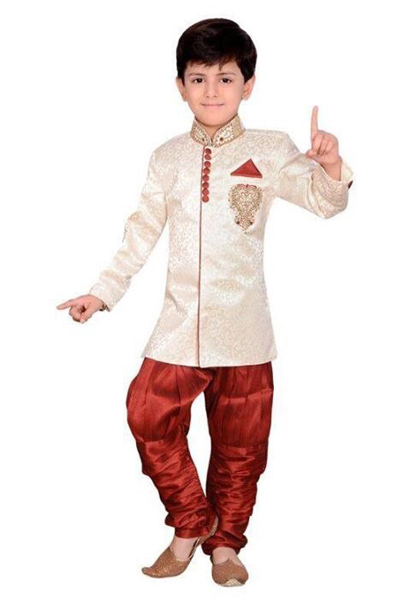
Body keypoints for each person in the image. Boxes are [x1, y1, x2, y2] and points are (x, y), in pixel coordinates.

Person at [56, 18, 354, 587]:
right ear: (181, 86)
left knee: (242, 447)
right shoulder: (167, 158)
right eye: (199, 78)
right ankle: (191, 523)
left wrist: (332, 165)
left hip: (245, 331)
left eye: (225, 78)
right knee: (147, 414)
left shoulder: (269, 149)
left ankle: (226, 545)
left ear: (249, 84)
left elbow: (325, 202)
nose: (212, 90)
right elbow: (141, 230)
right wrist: (103, 292)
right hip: (179, 326)